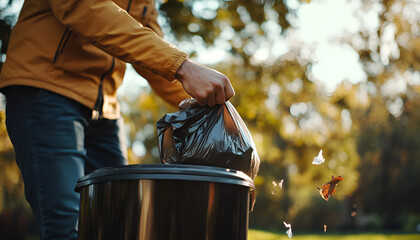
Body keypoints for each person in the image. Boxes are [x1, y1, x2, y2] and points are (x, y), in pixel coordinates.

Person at [0, 0, 235, 239]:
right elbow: (82, 6)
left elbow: (151, 49)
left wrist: (216, 107)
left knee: (123, 220)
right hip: (47, 90)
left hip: (104, 106)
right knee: (66, 227)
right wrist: (183, 67)